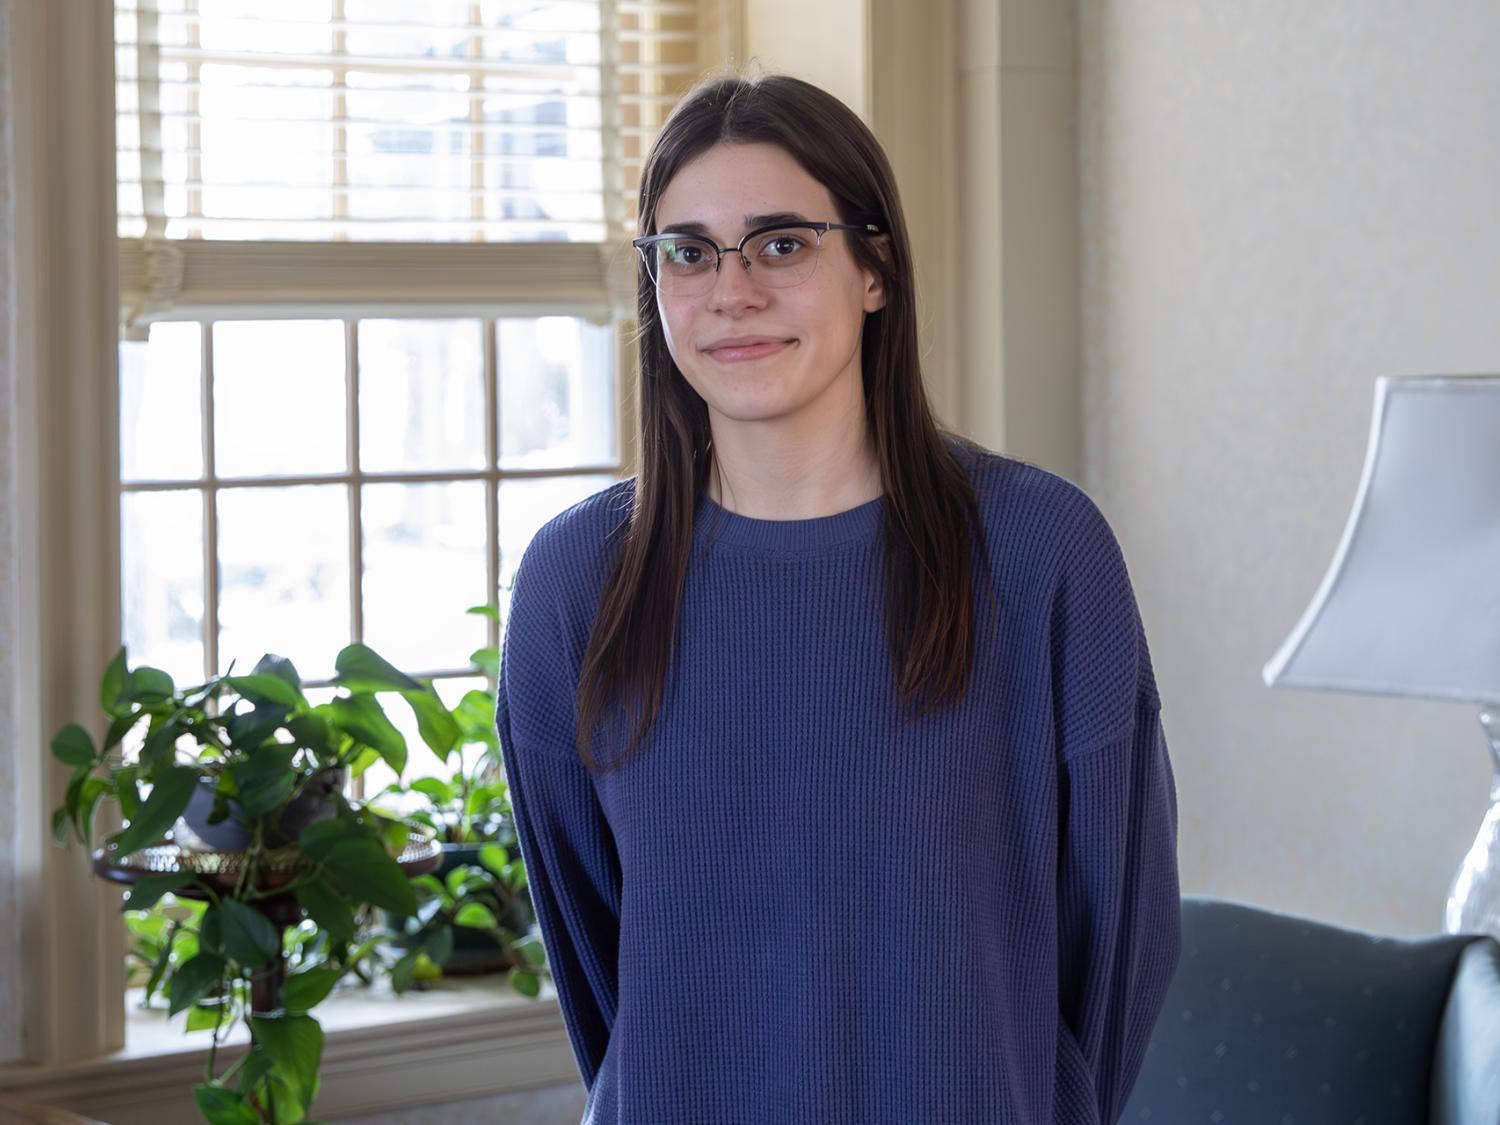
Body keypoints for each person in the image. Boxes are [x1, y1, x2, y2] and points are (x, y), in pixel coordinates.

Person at [496, 69, 1181, 1125]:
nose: (731, 292)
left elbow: (1119, 941)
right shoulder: (576, 582)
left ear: (875, 270)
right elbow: (599, 968)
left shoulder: (1041, 552)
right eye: (689, 252)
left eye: (781, 244)